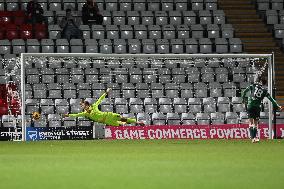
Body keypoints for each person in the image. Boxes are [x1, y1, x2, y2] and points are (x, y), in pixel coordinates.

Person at [64, 88, 145, 126]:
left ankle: (138, 122)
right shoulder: (85, 114)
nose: (82, 107)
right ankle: (127, 126)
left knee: (122, 118)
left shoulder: (94, 106)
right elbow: (76, 115)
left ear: (87, 105)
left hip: (108, 115)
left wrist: (106, 92)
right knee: (120, 125)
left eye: (83, 105)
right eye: (81, 106)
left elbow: (100, 99)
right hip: (107, 121)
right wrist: (68, 115)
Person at [241, 75, 283, 143]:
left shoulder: (253, 86)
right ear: (264, 83)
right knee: (256, 123)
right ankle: (254, 138)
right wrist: (278, 106)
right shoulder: (265, 91)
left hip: (250, 105)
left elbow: (245, 91)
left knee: (251, 122)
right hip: (257, 107)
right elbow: (272, 100)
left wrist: (243, 99)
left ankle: (253, 138)